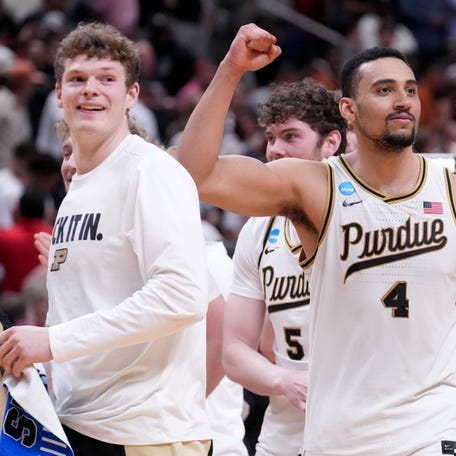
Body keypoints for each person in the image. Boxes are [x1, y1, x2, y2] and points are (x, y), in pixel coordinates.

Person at [176, 23, 456, 455]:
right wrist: (231, 70)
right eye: (383, 90)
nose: (402, 100)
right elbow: (196, 174)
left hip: (432, 429)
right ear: (348, 109)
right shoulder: (314, 187)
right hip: (337, 435)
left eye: (410, 90)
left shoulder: (449, 181)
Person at [0, 21, 212, 456]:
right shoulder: (78, 187)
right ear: (58, 94)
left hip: (145, 434)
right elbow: (90, 306)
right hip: (78, 421)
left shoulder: (150, 170)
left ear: (130, 96)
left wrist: (52, 343)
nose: (90, 90)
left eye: (107, 79)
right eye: (77, 79)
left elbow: (183, 295)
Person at [224, 79, 347, 456]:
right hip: (285, 436)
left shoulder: (370, 217)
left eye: (290, 137)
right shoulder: (258, 230)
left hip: (367, 427)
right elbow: (233, 350)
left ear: (331, 143)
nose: (275, 151)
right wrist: (283, 379)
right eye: (271, 138)